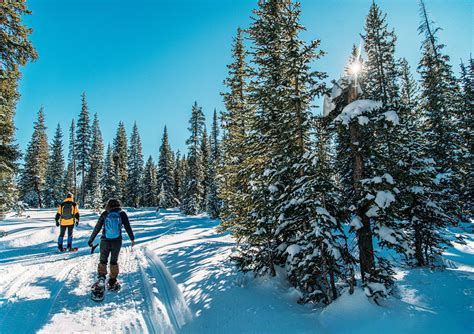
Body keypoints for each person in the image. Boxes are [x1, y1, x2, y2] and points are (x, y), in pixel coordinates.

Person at [88, 198, 135, 290]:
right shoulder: (122, 214)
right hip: (117, 241)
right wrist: (132, 239)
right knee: (114, 261)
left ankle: (101, 278)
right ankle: (112, 281)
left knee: (103, 260)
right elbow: (128, 227)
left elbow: (97, 228)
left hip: (105, 241)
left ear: (108, 205)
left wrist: (91, 240)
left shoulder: (105, 214)